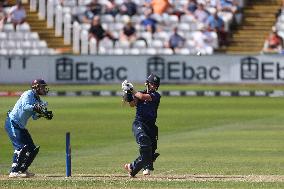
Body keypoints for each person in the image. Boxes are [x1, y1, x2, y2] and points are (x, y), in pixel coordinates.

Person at [5, 79, 53, 178]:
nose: (44, 89)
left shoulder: (38, 100)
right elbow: (25, 106)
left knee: (32, 149)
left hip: (21, 126)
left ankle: (22, 170)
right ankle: (13, 171)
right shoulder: (28, 94)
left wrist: (43, 114)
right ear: (36, 87)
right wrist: (36, 107)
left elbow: (34, 117)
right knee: (21, 147)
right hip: (12, 122)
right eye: (42, 87)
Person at [122, 73, 161, 177]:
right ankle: (146, 167)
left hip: (151, 127)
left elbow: (143, 97)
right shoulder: (139, 94)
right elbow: (132, 104)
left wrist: (132, 89)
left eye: (156, 84)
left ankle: (132, 167)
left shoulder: (156, 96)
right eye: (152, 84)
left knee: (150, 153)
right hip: (139, 123)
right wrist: (128, 94)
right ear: (147, 84)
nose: (154, 86)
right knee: (144, 141)